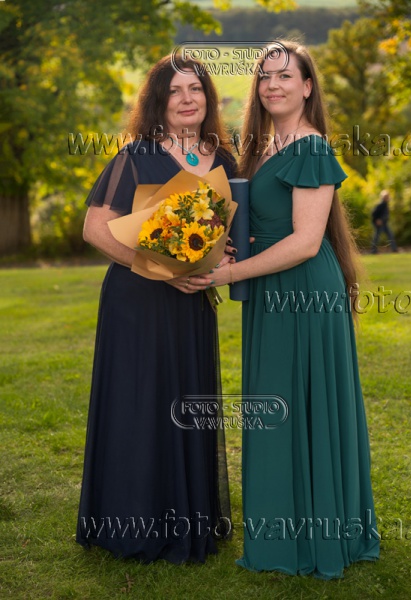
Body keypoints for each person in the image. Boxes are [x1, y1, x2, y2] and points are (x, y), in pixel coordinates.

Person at [204, 41, 380, 578]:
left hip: (303, 291)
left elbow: (305, 242)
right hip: (269, 289)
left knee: (303, 403)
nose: (273, 85)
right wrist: (231, 249)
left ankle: (316, 536)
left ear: (307, 87)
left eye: (285, 76)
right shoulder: (261, 149)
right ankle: (285, 529)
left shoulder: (312, 147)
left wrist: (228, 274)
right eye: (265, 76)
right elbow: (263, 226)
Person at [76, 55, 236, 564]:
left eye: (196, 88)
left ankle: (188, 520)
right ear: (158, 102)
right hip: (137, 301)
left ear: (208, 98)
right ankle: (134, 525)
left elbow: (230, 234)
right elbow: (95, 229)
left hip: (192, 305)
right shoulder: (136, 156)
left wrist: (223, 259)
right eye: (175, 90)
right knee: (140, 403)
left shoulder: (224, 161)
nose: (187, 99)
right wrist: (160, 269)